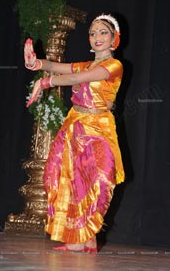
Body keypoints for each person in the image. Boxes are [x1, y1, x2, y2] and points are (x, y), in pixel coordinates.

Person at [24, 13, 125, 253]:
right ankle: (77, 238)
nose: (97, 37)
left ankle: (89, 233)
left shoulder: (113, 65)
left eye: (103, 32)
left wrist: (46, 82)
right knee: (66, 179)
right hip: (75, 125)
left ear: (114, 39)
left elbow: (79, 78)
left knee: (98, 180)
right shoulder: (85, 63)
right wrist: (36, 64)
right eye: (92, 33)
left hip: (98, 129)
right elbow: (56, 66)